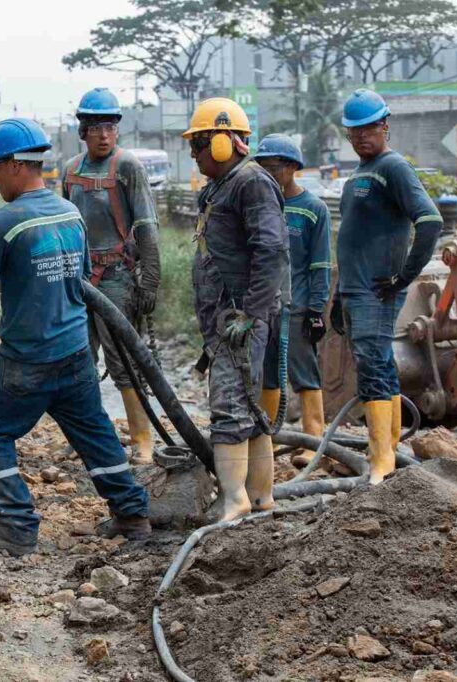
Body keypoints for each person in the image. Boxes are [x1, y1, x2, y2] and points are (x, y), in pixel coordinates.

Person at [0, 118, 151, 557]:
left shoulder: (4, 222)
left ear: (15, 165)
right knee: (95, 434)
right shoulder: (68, 213)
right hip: (74, 352)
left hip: (26, 360)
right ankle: (132, 515)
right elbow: (77, 272)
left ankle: (17, 526)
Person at [183, 98, 288, 521]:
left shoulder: (251, 182)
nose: (195, 154)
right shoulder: (222, 185)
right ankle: (260, 497)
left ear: (226, 142)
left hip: (239, 320)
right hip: (229, 320)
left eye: (201, 145)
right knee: (247, 404)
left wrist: (250, 313)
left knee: (228, 406)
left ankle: (233, 500)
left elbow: (272, 249)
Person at [332, 89, 442, 484]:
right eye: (353, 131)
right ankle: (389, 450)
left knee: (373, 366)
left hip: (377, 291)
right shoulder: (362, 173)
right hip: (356, 290)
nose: (361, 136)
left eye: (369, 128)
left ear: (385, 126)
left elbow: (430, 222)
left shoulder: (393, 167)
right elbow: (354, 237)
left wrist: (403, 277)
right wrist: (339, 293)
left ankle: (381, 461)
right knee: (376, 364)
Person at [60, 87, 161, 466]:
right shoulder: (72, 171)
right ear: (82, 131)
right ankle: (87, 438)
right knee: (78, 359)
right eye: (95, 127)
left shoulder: (128, 167)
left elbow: (148, 225)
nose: (103, 135)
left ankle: (142, 440)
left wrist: (149, 280)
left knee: (123, 363)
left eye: (109, 127)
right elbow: (65, 227)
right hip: (80, 278)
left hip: (118, 277)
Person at [254, 134, 332, 469]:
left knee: (304, 375)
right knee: (268, 375)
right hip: (264, 307)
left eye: (274, 167)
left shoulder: (313, 210)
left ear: (292, 168)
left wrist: (316, 308)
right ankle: (267, 439)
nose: (269, 174)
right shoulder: (260, 206)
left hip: (297, 310)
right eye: (263, 168)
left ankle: (313, 442)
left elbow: (320, 264)